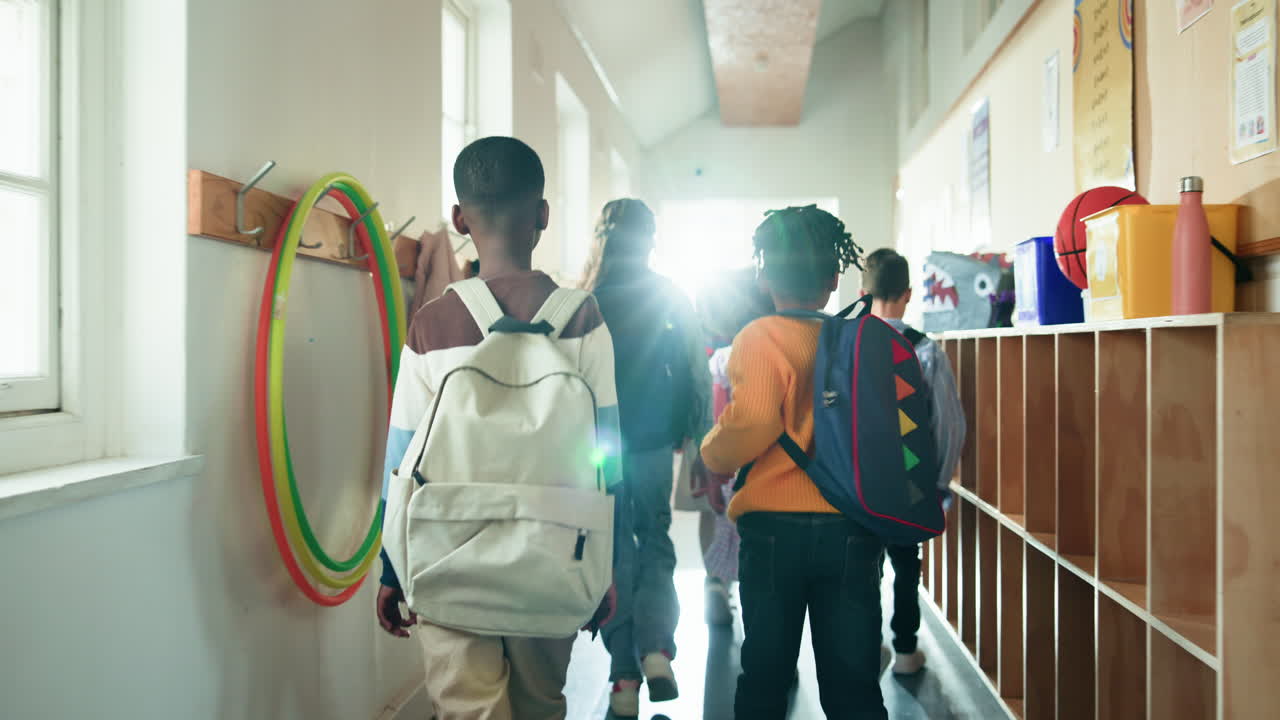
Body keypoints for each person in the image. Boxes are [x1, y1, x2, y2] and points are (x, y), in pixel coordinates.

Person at [374, 137, 623, 719]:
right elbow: (610, 455)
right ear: (542, 215)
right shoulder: (584, 318)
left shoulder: (432, 324)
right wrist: (608, 567)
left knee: (468, 709)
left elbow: (400, 460)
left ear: (459, 219)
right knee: (540, 704)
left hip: (445, 554)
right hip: (558, 550)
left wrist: (392, 569)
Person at [701, 205, 887, 720]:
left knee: (765, 673)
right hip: (852, 523)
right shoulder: (856, 338)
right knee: (854, 685)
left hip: (774, 529)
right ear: (834, 279)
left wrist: (712, 455)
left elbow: (754, 422)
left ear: (764, 277)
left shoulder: (760, 338)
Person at [582, 199, 712, 718]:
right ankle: (657, 650)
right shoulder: (670, 294)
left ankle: (623, 680)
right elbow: (697, 375)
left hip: (598, 446)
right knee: (655, 539)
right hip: (658, 441)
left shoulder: (583, 299)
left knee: (613, 549)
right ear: (650, 240)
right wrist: (700, 443)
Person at [861, 248, 966, 675]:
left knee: (863, 570)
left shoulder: (847, 346)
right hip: (909, 481)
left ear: (862, 292)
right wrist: (939, 484)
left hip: (859, 482)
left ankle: (865, 646)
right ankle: (905, 650)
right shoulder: (925, 351)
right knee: (906, 567)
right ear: (908, 294)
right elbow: (949, 425)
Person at [693, 269, 775, 625]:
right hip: (762, 459)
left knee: (717, 522)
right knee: (758, 533)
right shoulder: (765, 349)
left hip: (722, 456)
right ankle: (760, 600)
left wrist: (711, 463)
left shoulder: (719, 357)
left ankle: (716, 584)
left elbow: (714, 409)